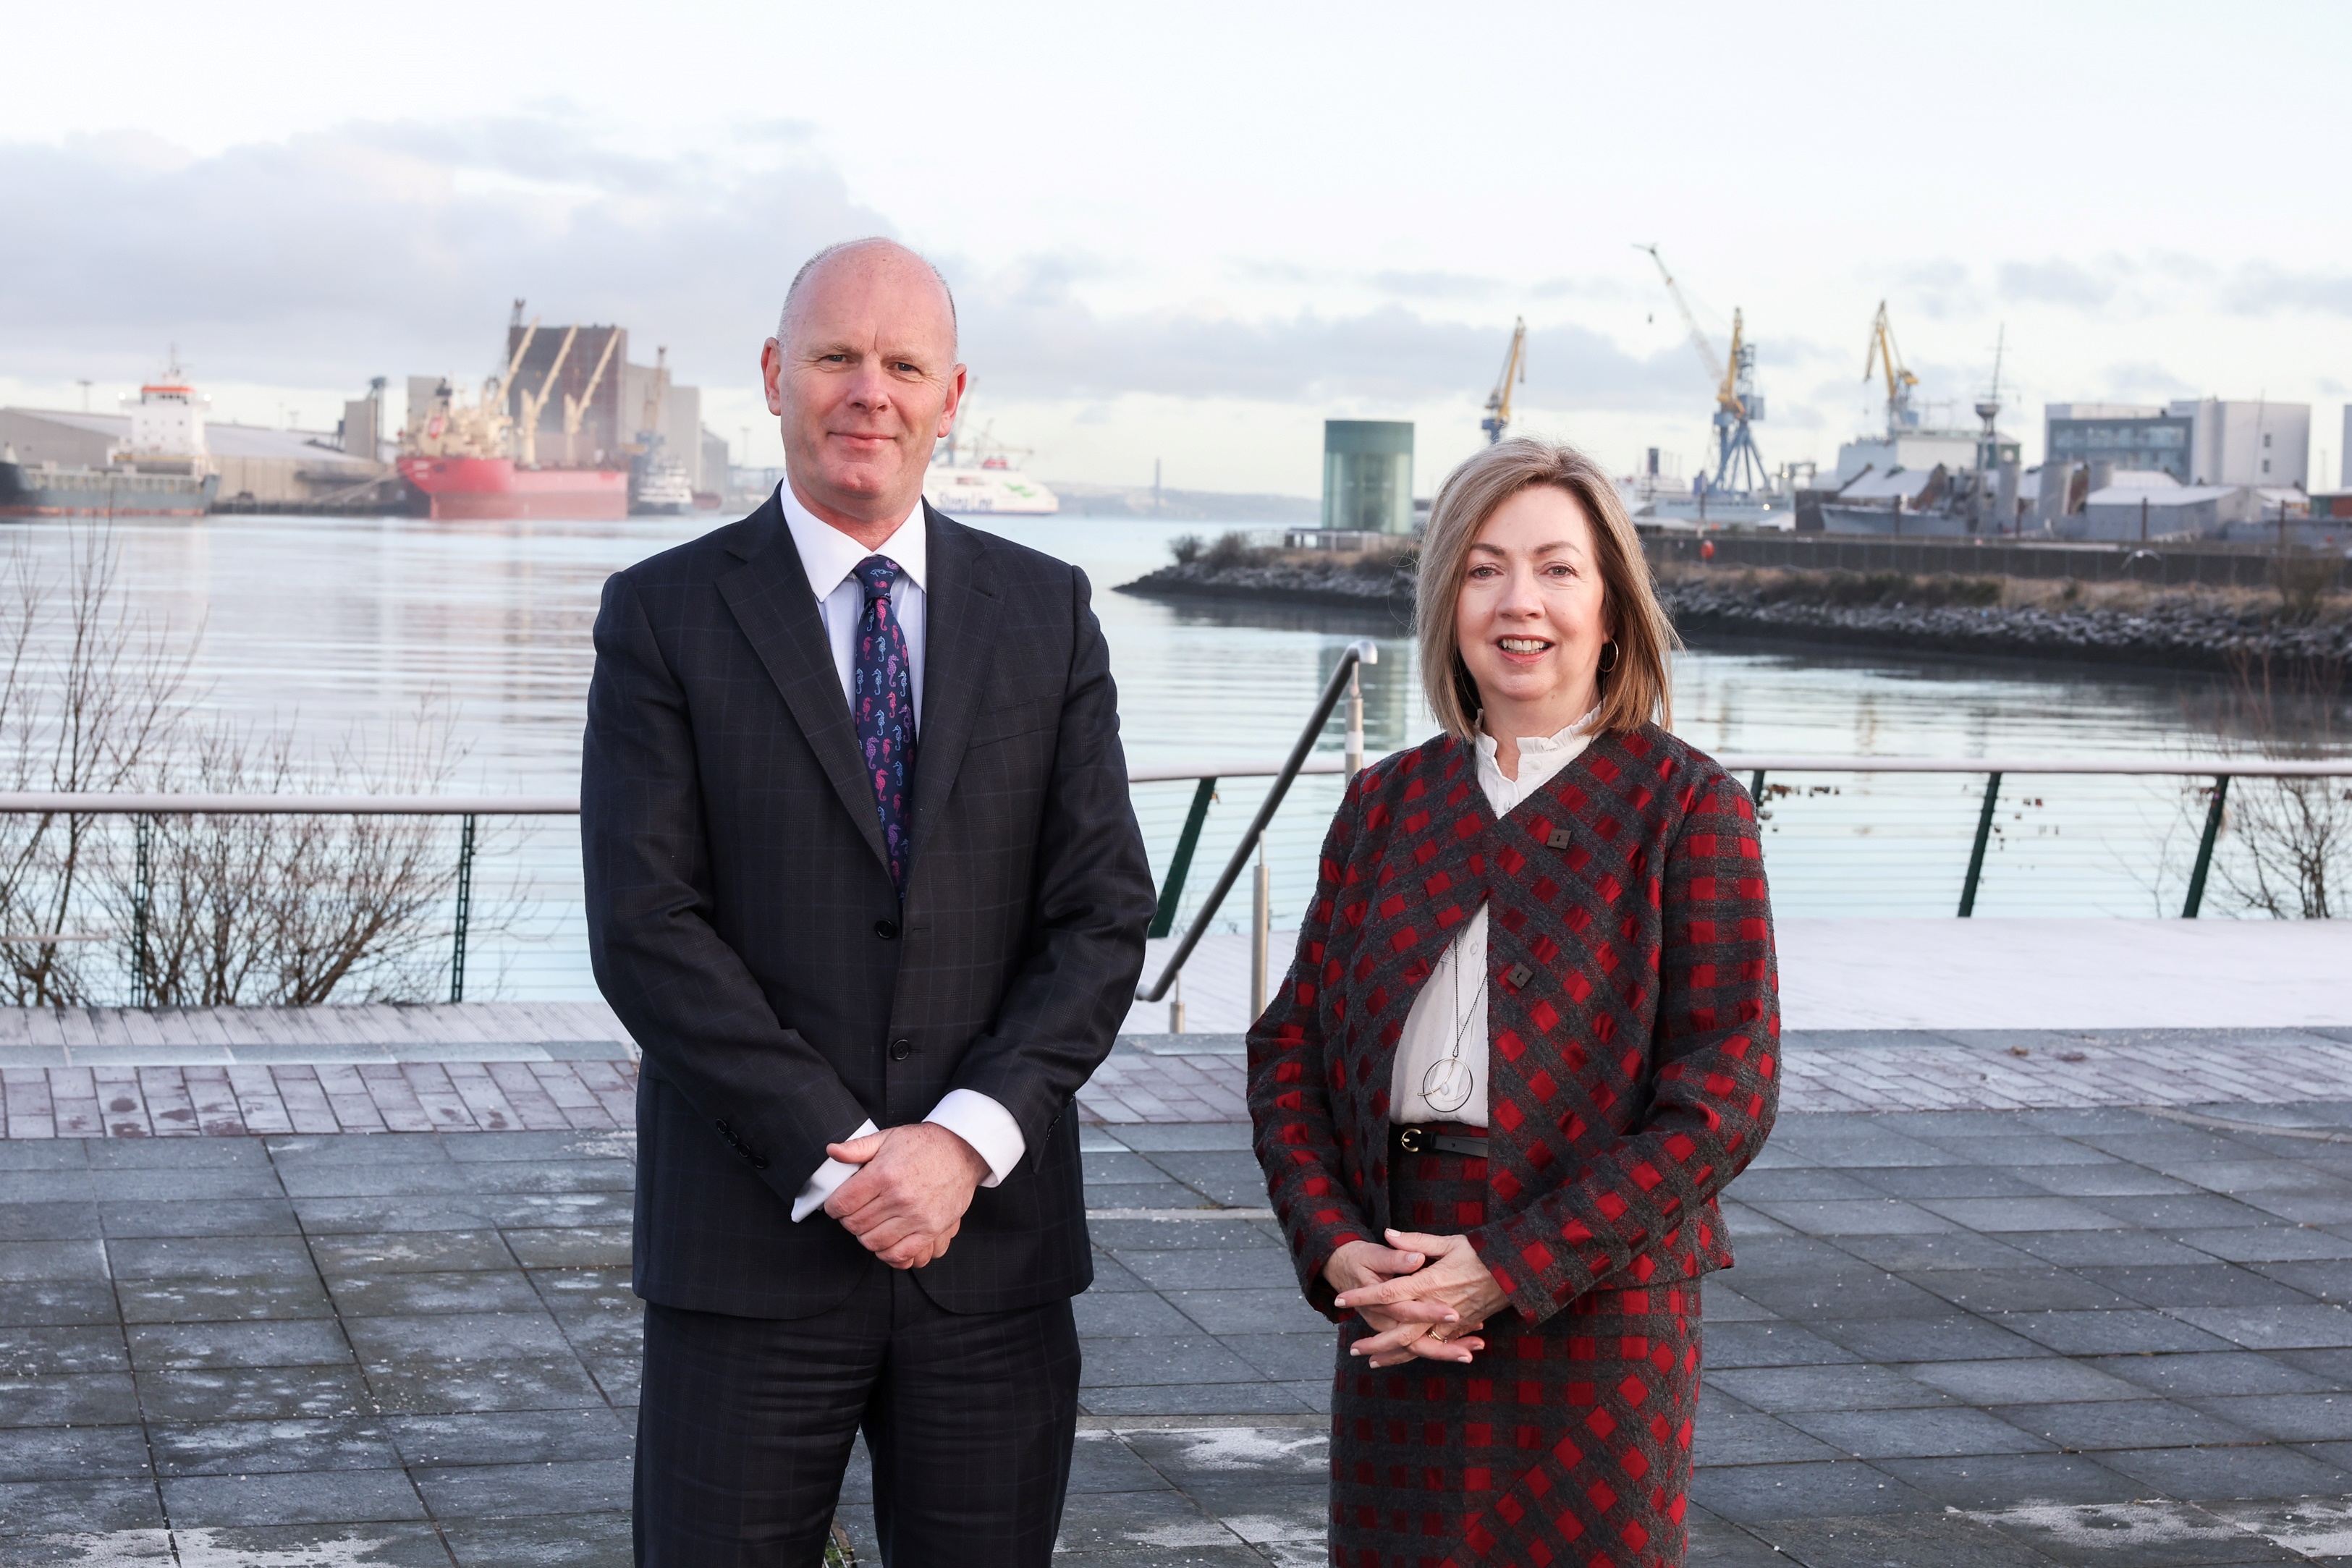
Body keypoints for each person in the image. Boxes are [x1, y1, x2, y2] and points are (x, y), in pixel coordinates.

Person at [583, 237, 1156, 1567]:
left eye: (905, 365)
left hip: (991, 1258)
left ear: (953, 396)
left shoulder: (1048, 613)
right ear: (778, 376)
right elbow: (646, 927)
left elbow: (1101, 916)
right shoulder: (661, 616)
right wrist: (841, 1158)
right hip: (747, 1254)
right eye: (837, 357)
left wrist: (956, 1143)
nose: (869, 392)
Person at [1246, 438, 1779, 1568]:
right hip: (1399, 1307)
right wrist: (1335, 1247)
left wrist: (1510, 1264)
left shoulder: (1685, 809)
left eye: (1555, 568)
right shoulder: (1384, 806)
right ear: (1447, 601)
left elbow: (1725, 1094)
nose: (1518, 602)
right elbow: (1287, 1051)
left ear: (1612, 607)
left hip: (1597, 1317)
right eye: (1484, 569)